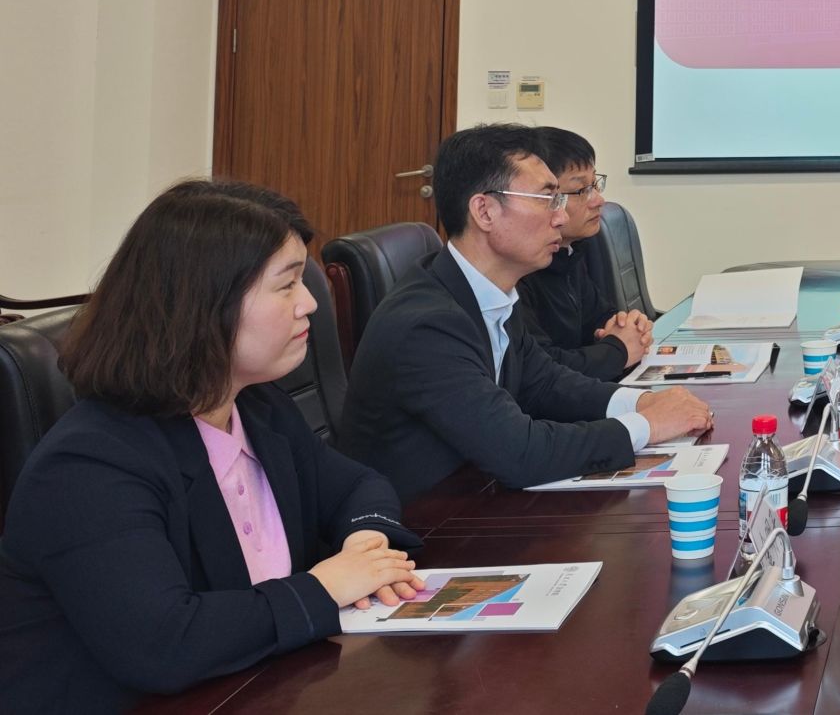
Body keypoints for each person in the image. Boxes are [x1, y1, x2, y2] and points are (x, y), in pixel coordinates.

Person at [0, 181, 426, 713]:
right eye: (287, 284)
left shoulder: (258, 406)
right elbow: (163, 645)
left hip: (259, 690)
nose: (310, 303)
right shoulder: (89, 465)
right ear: (205, 304)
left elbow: (357, 485)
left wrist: (366, 545)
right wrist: (323, 587)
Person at [337, 124, 713, 501]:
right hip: (421, 522)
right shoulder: (427, 325)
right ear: (484, 211)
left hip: (475, 496)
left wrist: (640, 401)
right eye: (547, 198)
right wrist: (647, 425)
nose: (560, 217)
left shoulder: (491, 290)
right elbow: (520, 452)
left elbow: (546, 383)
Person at [514, 126, 652, 382]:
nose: (598, 200)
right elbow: (541, 371)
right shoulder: (517, 270)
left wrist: (628, 325)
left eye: (595, 184)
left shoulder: (570, 252)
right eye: (581, 190)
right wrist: (617, 351)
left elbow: (598, 318)